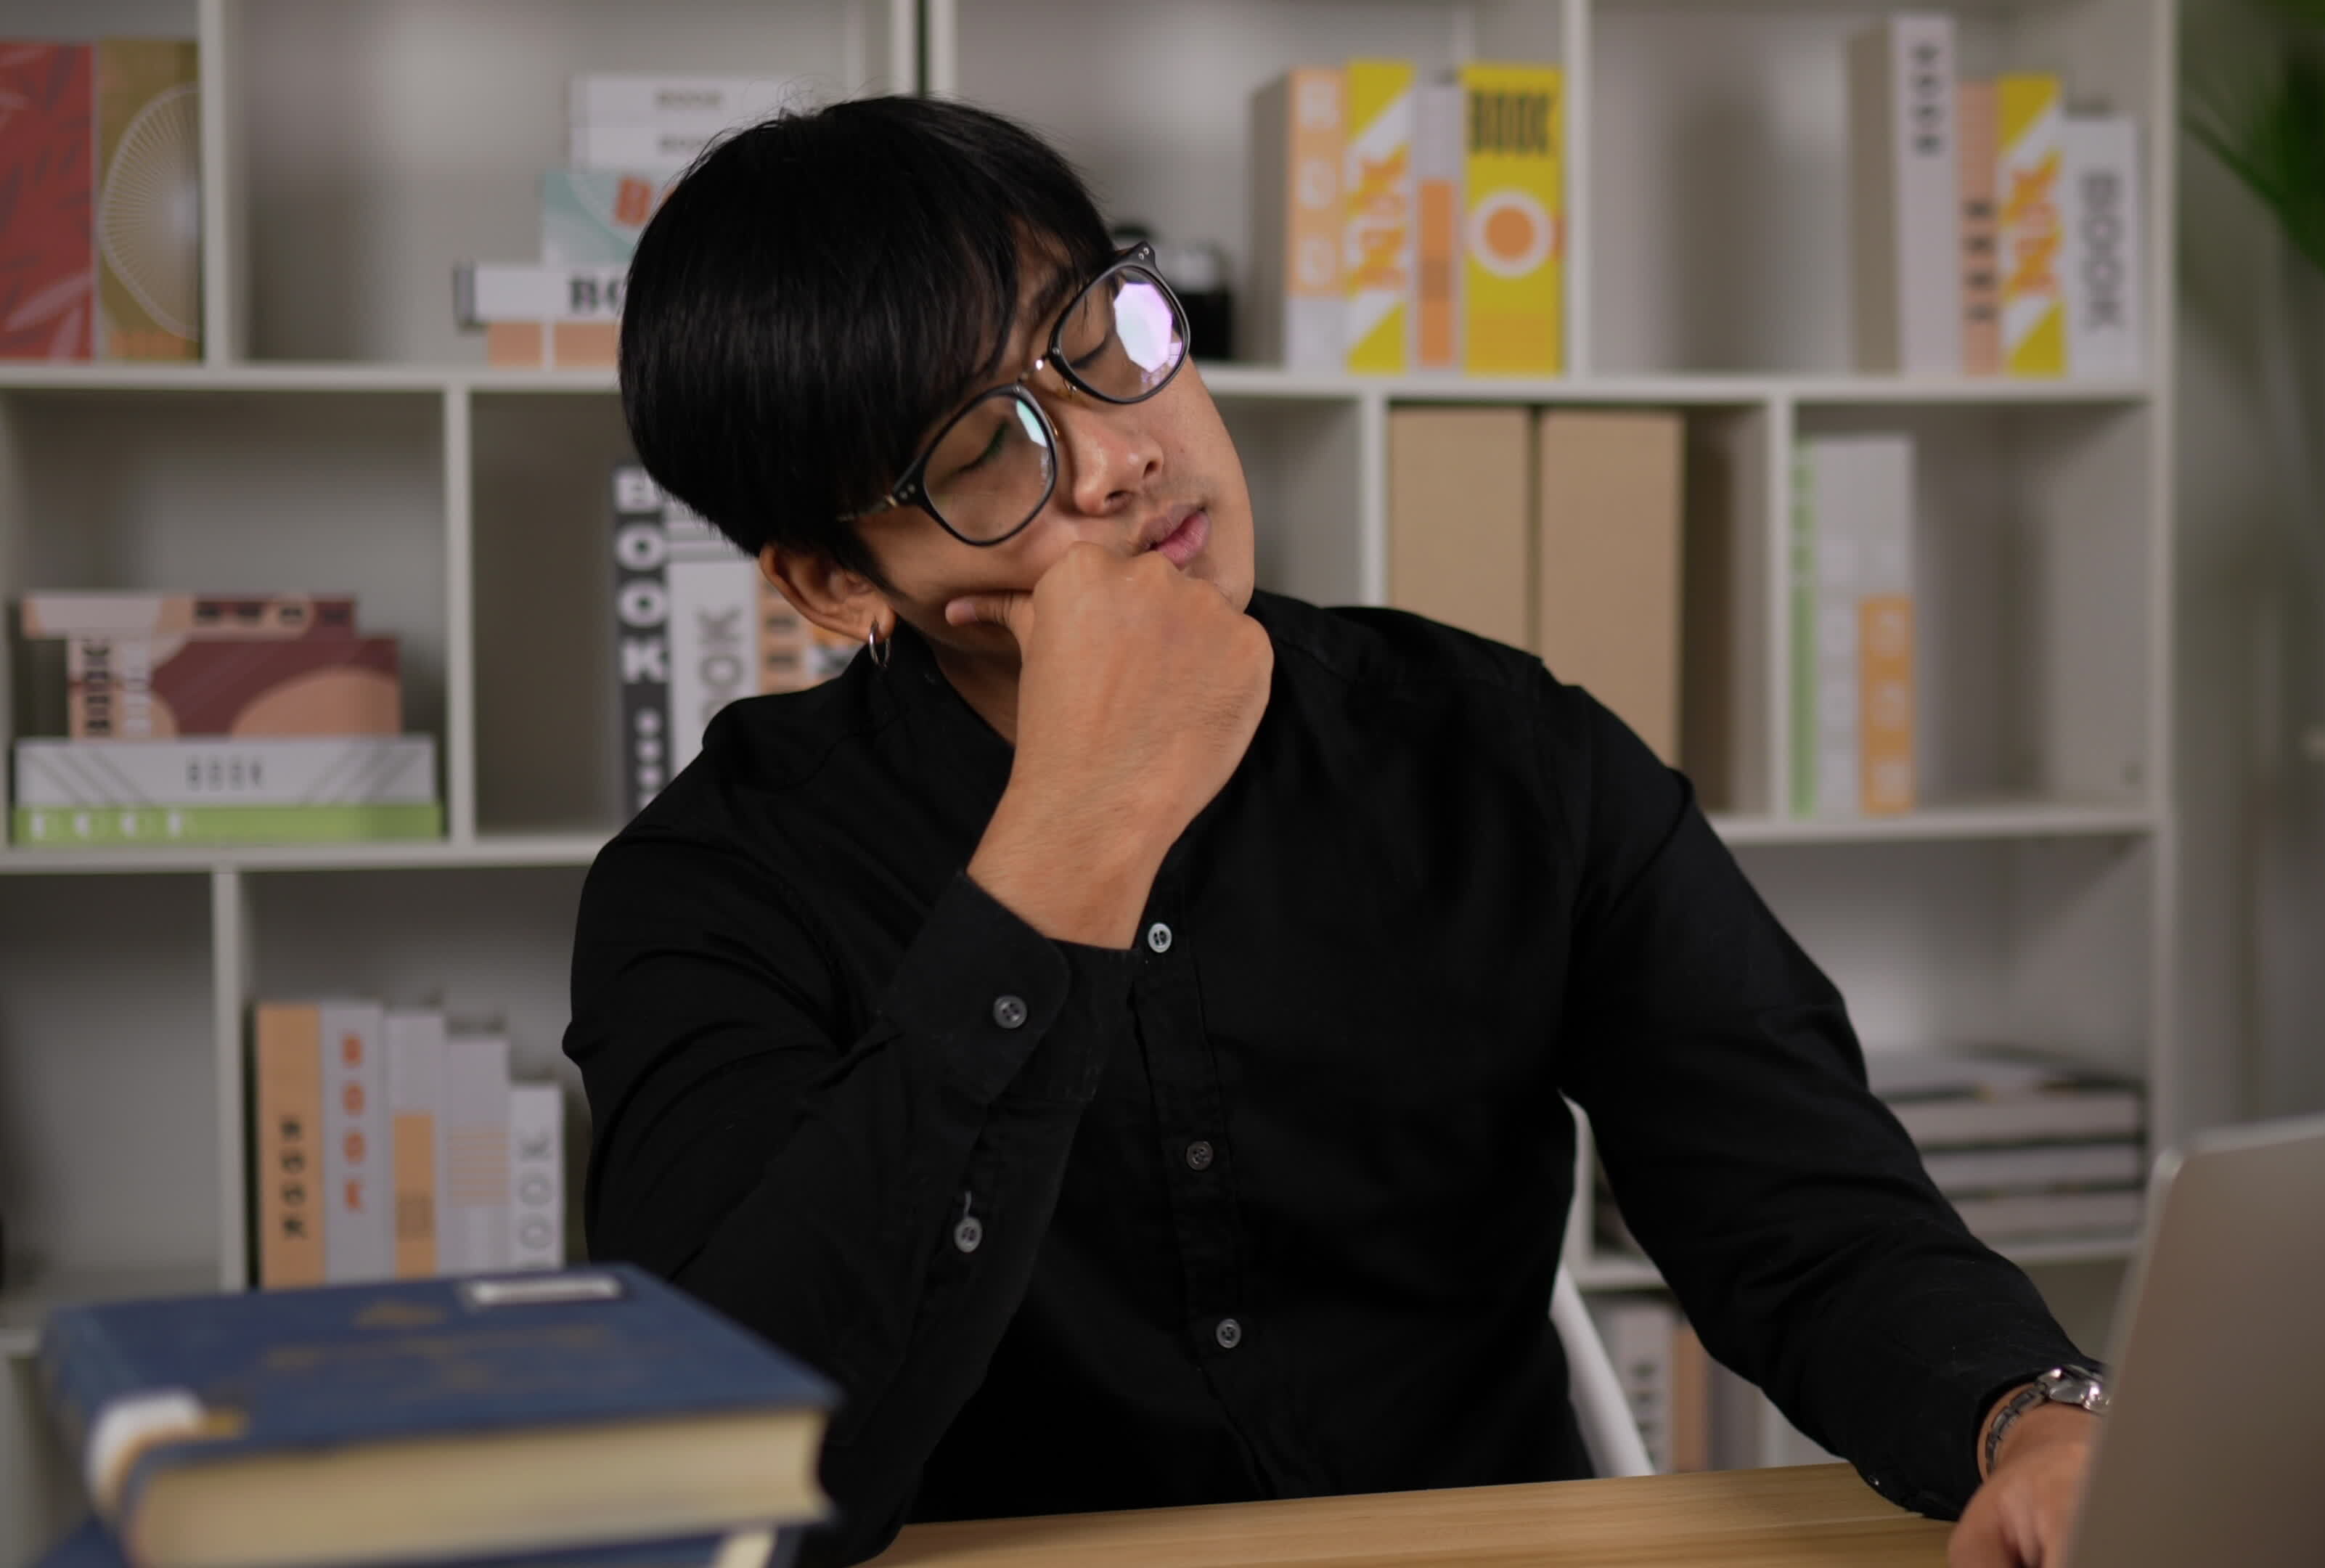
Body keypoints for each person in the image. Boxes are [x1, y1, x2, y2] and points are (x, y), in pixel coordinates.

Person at [570, 94, 2104, 1568]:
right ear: (835, 584)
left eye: (1104, 340)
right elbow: (739, 1471)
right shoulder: (712, 891)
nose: (1118, 456)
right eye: (981, 450)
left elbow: (1806, 1216)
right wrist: (1066, 844)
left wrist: (2027, 1422)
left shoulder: (1499, 753)